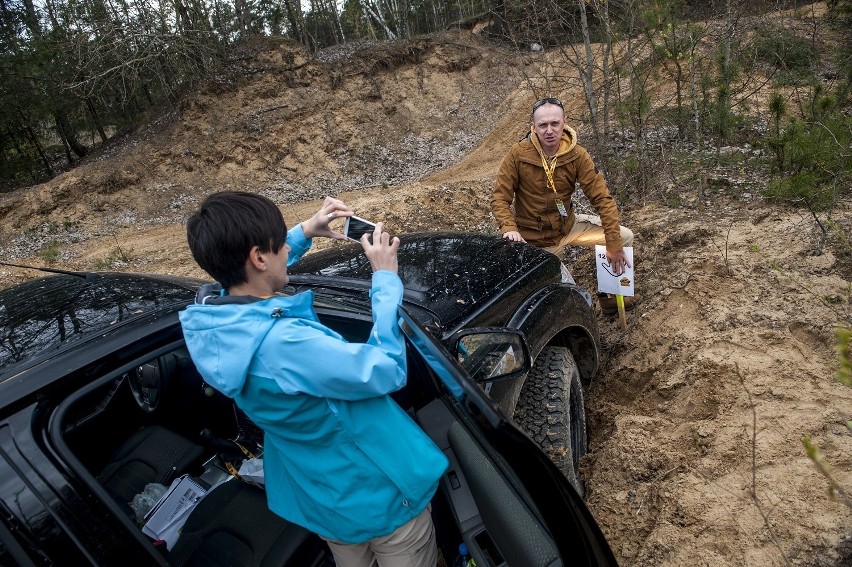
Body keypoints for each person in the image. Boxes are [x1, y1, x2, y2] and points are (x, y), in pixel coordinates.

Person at [179, 191, 448, 567]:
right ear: (257, 257)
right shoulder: (285, 345)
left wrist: (304, 232)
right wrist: (385, 281)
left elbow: (252, 281)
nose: (285, 252)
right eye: (279, 248)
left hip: (323, 498)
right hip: (377, 496)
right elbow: (387, 367)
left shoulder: (217, 323)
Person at [491, 97, 638, 314]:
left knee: (623, 237)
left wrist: (613, 245)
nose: (549, 130)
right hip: (536, 241)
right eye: (543, 125)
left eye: (554, 124)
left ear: (564, 123)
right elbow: (499, 198)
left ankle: (610, 298)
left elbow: (602, 200)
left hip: (569, 227)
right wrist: (509, 228)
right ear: (534, 127)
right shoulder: (518, 154)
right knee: (559, 300)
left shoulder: (577, 155)